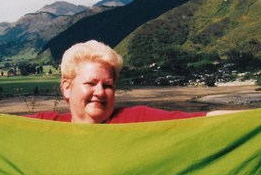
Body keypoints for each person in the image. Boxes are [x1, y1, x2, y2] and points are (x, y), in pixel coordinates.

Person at [28, 40, 239, 124]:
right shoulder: (44, 126)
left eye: (108, 85)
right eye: (91, 83)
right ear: (67, 87)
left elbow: (200, 120)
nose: (100, 92)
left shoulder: (135, 120)